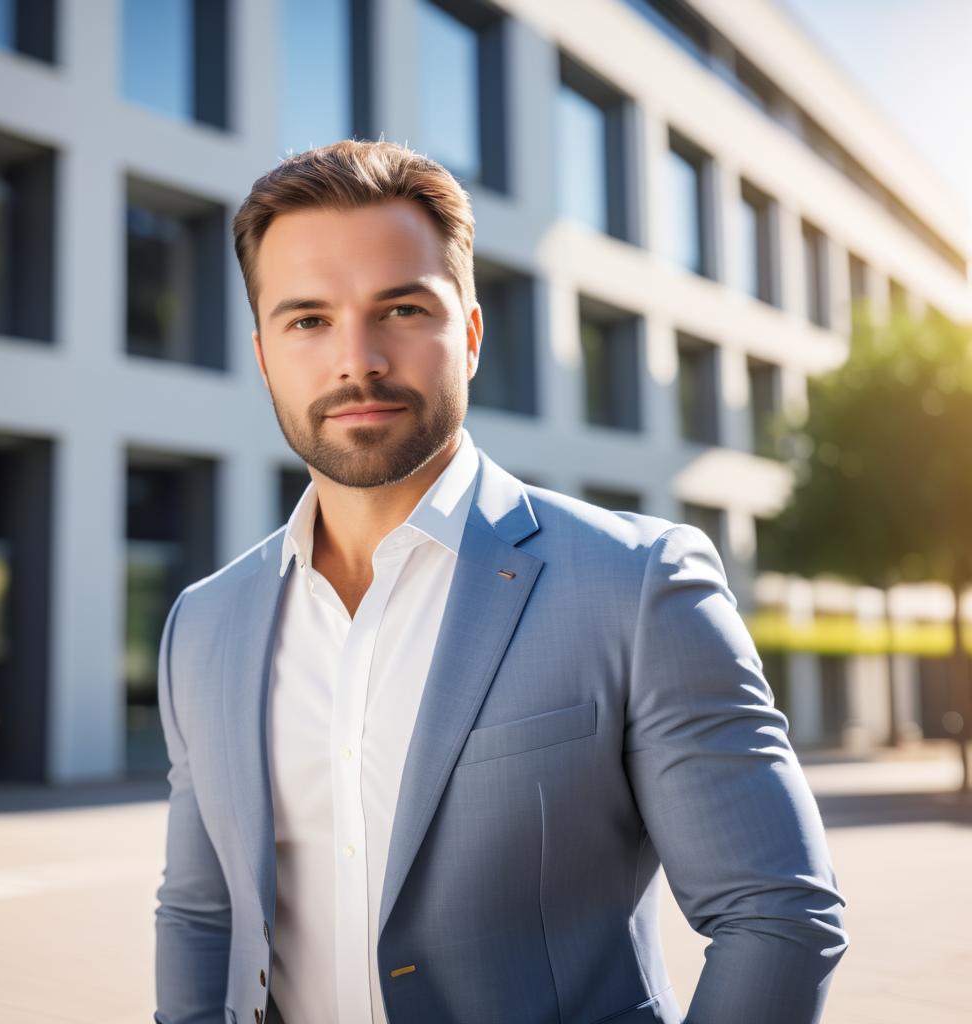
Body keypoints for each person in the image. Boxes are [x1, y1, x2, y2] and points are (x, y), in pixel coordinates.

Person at [153, 139, 847, 1024]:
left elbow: (778, 914)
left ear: (470, 335)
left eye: (400, 309)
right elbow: (201, 914)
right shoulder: (203, 623)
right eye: (309, 320)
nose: (356, 359)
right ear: (263, 354)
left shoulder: (635, 584)